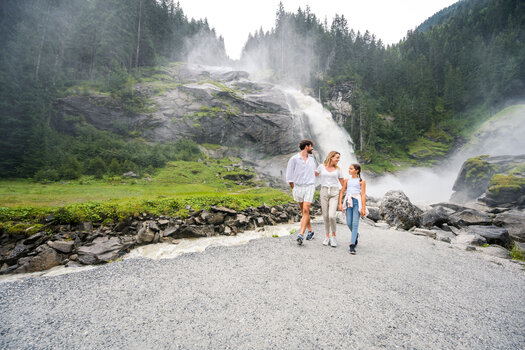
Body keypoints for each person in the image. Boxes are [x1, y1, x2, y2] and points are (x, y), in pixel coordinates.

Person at [286, 139, 317, 245]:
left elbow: (315, 173)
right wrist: (293, 188)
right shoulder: (294, 159)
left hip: (309, 186)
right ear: (306, 146)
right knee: (304, 212)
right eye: (311, 146)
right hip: (298, 187)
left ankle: (301, 234)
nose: (312, 148)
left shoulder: (312, 160)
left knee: (305, 209)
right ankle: (311, 230)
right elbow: (289, 176)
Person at [315, 151, 344, 247]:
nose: (338, 159)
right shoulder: (321, 167)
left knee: (332, 216)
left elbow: (343, 184)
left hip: (334, 192)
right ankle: (327, 236)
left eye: (339, 158)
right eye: (337, 157)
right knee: (325, 216)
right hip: (323, 191)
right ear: (331, 157)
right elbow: (313, 175)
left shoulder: (338, 170)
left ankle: (334, 236)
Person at [338, 163, 367, 254]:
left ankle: (352, 244)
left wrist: (363, 208)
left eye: (351, 169)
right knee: (348, 222)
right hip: (348, 201)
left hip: (356, 202)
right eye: (349, 168)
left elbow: (362, 195)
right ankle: (356, 235)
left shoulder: (361, 182)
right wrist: (340, 204)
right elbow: (342, 192)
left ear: (356, 170)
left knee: (355, 224)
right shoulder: (347, 180)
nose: (349, 170)